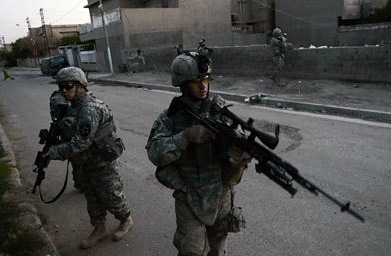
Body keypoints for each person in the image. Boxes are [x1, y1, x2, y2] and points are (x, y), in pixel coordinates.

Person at [146, 51, 251, 256]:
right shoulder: (169, 119)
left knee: (219, 248)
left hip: (221, 195)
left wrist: (241, 154)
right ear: (183, 85)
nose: (203, 86)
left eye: (205, 79)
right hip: (189, 196)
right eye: (196, 81)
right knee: (190, 251)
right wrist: (185, 136)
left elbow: (240, 149)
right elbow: (155, 153)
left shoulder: (220, 112)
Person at [43, 67, 132, 249]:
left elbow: (79, 143)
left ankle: (126, 219)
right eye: (61, 87)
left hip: (101, 162)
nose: (64, 91)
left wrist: (53, 153)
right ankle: (100, 229)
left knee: (111, 196)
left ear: (81, 86)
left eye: (68, 86)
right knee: (92, 198)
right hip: (84, 162)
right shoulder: (73, 107)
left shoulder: (90, 108)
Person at [49, 90, 83, 191]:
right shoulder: (59, 98)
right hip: (71, 135)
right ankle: (81, 183)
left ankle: (82, 183)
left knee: (79, 162)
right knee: (78, 162)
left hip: (74, 135)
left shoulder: (59, 96)